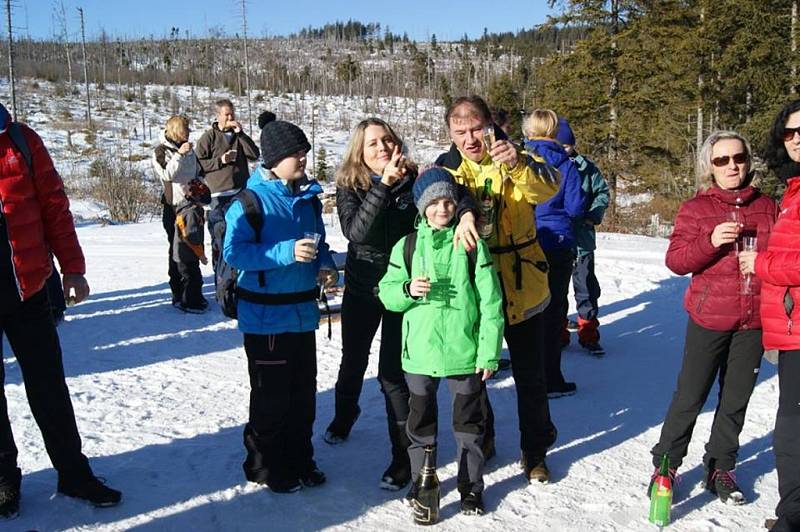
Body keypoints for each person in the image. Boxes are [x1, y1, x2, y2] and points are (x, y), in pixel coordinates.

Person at [324, 118, 479, 491]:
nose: (381, 148)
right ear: (359, 153)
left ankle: (400, 458)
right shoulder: (350, 185)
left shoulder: (415, 178)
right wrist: (383, 185)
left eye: (387, 140)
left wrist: (467, 213)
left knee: (394, 376)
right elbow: (356, 232)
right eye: (372, 144)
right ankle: (344, 416)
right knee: (354, 359)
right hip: (364, 287)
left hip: (408, 288)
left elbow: (455, 191)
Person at [0, 103, 121, 519]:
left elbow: (54, 206)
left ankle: (73, 471)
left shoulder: (22, 140)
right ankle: (3, 480)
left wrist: (73, 268)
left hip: (28, 288)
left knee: (49, 386)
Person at [436, 95, 560, 483]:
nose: (470, 139)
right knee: (475, 374)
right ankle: (484, 438)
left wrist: (518, 164)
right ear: (450, 133)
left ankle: (535, 449)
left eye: (476, 129)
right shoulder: (447, 168)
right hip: (474, 284)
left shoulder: (515, 156)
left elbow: (549, 190)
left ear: (491, 125)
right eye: (460, 132)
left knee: (531, 374)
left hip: (522, 279)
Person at [651, 130, 776, 506]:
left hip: (753, 321)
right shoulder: (697, 208)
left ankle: (721, 466)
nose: (732, 166)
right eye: (722, 160)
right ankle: (666, 467)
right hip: (709, 318)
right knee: (690, 396)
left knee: (735, 400)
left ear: (748, 161)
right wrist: (710, 241)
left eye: (737, 158)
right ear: (710, 167)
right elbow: (676, 261)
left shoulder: (768, 206)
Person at [378, 167, 504, 516]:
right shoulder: (407, 247)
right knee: (420, 426)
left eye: (448, 201)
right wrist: (407, 290)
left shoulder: (470, 245)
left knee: (469, 427)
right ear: (421, 206)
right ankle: (423, 481)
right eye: (434, 202)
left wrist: (488, 353)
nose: (442, 209)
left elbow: (491, 302)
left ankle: (471, 488)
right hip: (419, 354)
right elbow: (387, 293)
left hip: (463, 354)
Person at [223, 119, 338, 494]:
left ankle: (300, 460)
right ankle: (265, 465)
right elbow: (234, 253)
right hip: (265, 317)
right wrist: (285, 252)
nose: (303, 158)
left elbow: (316, 242)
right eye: (295, 153)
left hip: (303, 314)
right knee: (272, 399)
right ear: (273, 158)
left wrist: (325, 265)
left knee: (303, 396)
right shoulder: (249, 202)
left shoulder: (307, 198)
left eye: (304, 151)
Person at [740, 100, 800, 530]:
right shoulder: (793, 189)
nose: (796, 138)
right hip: (790, 325)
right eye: (789, 132)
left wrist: (759, 264)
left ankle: (792, 516)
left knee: (792, 426)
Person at [523, 109, 587, 398]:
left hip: (524, 241)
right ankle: (551, 378)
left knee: (526, 309)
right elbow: (576, 207)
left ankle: (528, 373)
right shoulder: (566, 165)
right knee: (553, 309)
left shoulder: (518, 160)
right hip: (557, 242)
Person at [556, 118, 610, 356]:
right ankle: (558, 332)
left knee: (586, 287)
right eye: (559, 145)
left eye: (566, 146)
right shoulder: (548, 166)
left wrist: (593, 214)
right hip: (556, 241)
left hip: (582, 242)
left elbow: (602, 193)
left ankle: (588, 332)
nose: (563, 150)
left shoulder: (587, 168)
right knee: (556, 290)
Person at [195, 98, 260, 281]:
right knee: (221, 237)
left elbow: (254, 155)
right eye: (227, 114)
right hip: (219, 195)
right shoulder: (208, 137)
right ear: (218, 116)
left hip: (241, 193)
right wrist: (220, 160)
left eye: (232, 113)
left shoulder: (238, 136)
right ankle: (222, 278)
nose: (230, 117)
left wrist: (241, 134)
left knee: (243, 234)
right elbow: (198, 164)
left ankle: (242, 277)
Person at [153, 115, 210, 313]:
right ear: (176, 130)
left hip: (191, 205)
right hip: (173, 207)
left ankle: (192, 293)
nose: (188, 132)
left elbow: (199, 171)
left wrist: (197, 185)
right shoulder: (161, 151)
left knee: (191, 246)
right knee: (177, 251)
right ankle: (179, 292)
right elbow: (166, 175)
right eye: (186, 129)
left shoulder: (190, 149)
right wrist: (179, 155)